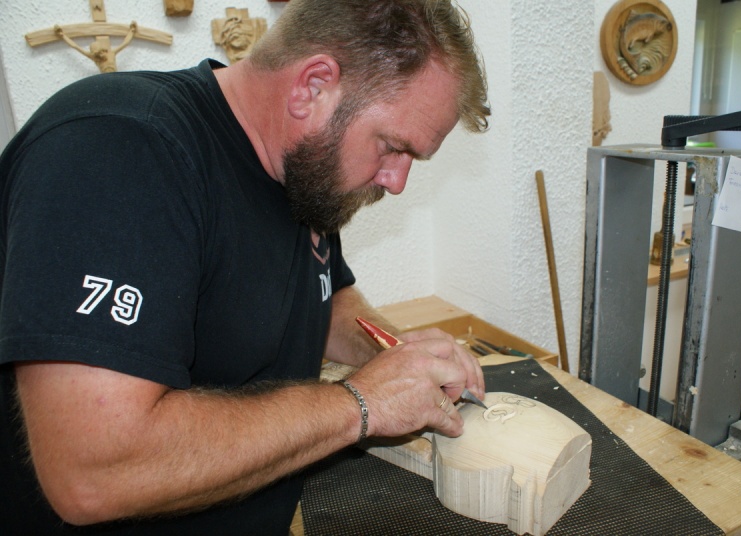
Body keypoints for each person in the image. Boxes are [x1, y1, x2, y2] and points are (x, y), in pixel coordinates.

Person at [0, 0, 490, 534]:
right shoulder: (119, 148)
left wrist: (397, 354)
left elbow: (323, 297)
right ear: (313, 87)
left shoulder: (304, 169)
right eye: (394, 147)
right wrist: (363, 403)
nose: (397, 181)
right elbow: (94, 473)